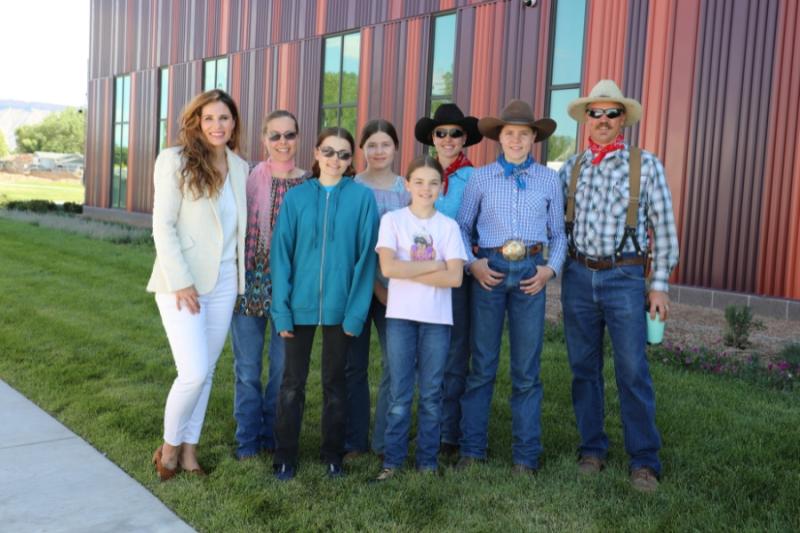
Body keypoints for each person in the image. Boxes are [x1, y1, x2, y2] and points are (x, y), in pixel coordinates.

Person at [558, 80, 679, 493]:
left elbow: (664, 229)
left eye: (612, 113)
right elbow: (556, 226)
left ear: (622, 119)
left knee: (632, 370)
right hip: (577, 277)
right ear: (586, 119)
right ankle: (592, 449)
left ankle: (644, 460)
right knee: (582, 369)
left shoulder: (646, 164)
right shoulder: (572, 168)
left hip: (625, 277)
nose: (604, 120)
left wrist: (658, 285)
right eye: (597, 113)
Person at [455, 99, 566, 474]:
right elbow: (461, 227)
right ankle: (472, 449)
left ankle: (526, 455)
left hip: (531, 273)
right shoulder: (480, 178)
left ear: (534, 137)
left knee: (526, 369)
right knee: (482, 364)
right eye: (509, 133)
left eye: (523, 133)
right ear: (498, 137)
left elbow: (559, 234)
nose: (516, 139)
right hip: (490, 270)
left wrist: (550, 270)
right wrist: (473, 265)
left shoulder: (550, 180)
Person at [147, 89, 248, 480]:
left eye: (224, 118)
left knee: (206, 371)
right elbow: (163, 225)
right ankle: (169, 448)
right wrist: (183, 281)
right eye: (209, 118)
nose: (217, 126)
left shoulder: (240, 167)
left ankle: (190, 452)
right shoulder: (174, 160)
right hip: (181, 282)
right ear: (196, 122)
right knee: (192, 371)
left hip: (225, 281)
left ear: (234, 122)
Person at [270, 127, 378, 480]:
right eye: (329, 152)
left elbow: (366, 261)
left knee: (335, 383)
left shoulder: (362, 199)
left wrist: (355, 313)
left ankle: (333, 454)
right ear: (316, 154)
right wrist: (281, 310)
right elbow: (281, 256)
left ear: (351, 161)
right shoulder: (297, 198)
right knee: (291, 383)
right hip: (298, 306)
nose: (335, 160)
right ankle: (285, 455)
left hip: (341, 307)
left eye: (344, 154)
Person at [372, 155, 467, 481]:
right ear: (408, 184)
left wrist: (410, 270)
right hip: (400, 316)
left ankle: (427, 462)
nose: (426, 188)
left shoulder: (448, 227)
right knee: (400, 392)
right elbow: (388, 268)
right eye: (420, 182)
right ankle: (393, 461)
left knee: (430, 394)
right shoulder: (393, 221)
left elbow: (455, 279)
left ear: (441, 188)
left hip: (437, 320)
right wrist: (435, 265)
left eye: (433, 183)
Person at [230, 110, 310, 460]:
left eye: (288, 135)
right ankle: (247, 441)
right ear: (264, 139)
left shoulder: (308, 184)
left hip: (289, 289)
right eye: (274, 136)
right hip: (248, 284)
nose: (282, 142)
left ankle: (273, 436)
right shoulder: (246, 179)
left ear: (298, 138)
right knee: (247, 370)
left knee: (281, 371)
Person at [413, 103, 482, 456]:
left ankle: (448, 433)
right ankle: (426, 422)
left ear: (465, 138)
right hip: (420, 274)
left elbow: (476, 228)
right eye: (441, 133)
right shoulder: (419, 175)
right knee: (423, 350)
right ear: (432, 138)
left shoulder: (476, 178)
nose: (448, 139)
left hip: (456, 276)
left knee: (455, 352)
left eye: (455, 133)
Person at [344, 119, 409, 459]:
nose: (379, 151)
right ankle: (354, 440)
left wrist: (389, 289)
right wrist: (371, 286)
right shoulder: (351, 186)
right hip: (357, 287)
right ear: (362, 149)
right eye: (372, 145)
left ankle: (383, 440)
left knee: (393, 364)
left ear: (395, 148)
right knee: (353, 365)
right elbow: (347, 243)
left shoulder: (406, 189)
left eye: (385, 144)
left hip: (396, 290)